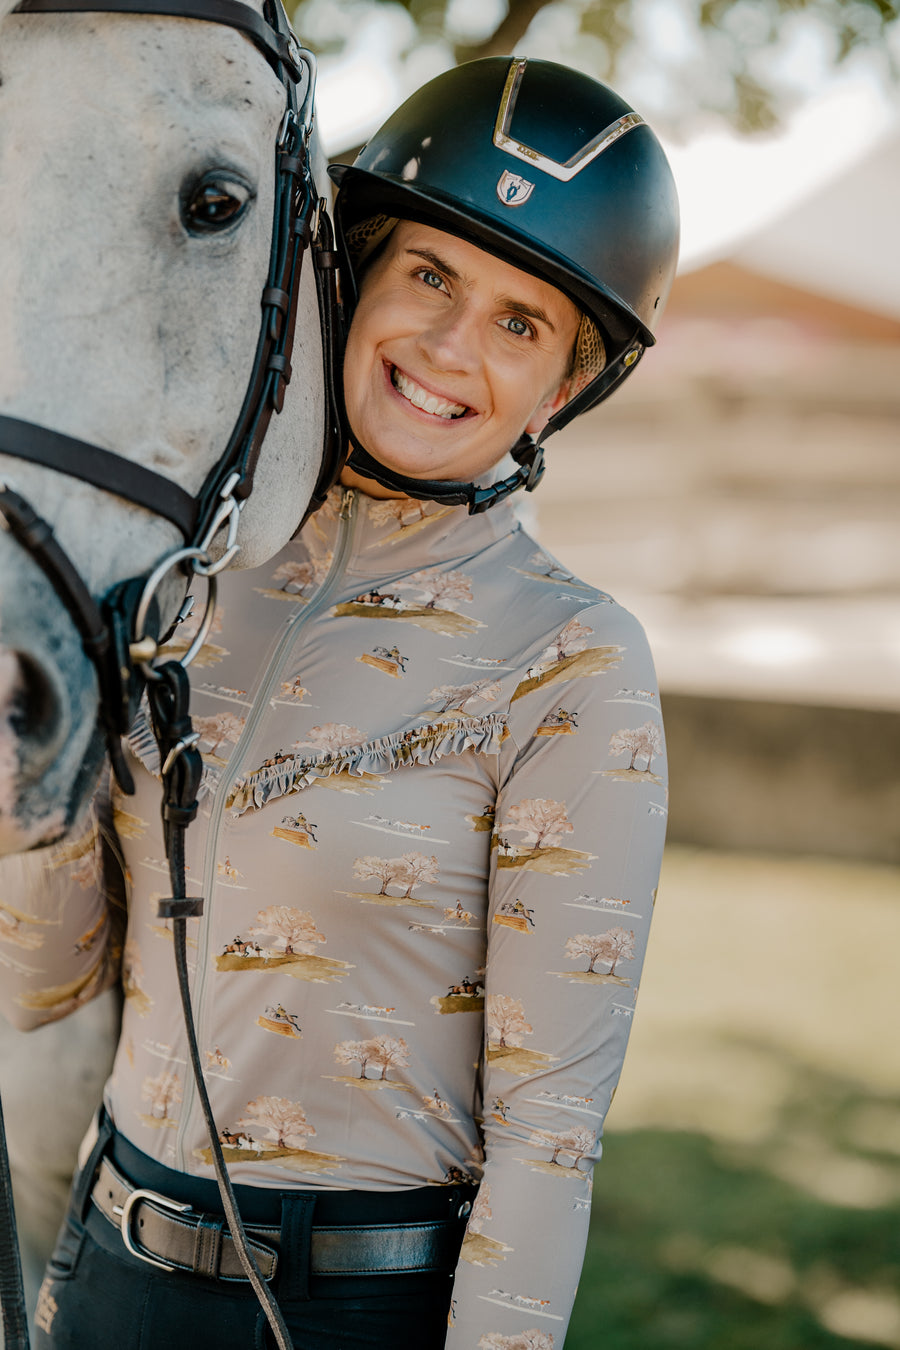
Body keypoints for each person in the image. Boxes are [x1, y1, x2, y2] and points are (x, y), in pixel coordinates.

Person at [0, 56, 678, 1349]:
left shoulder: (574, 661)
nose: (447, 346)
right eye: (429, 273)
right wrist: (28, 806)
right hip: (106, 1275)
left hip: (357, 1312)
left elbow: (547, 1135)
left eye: (519, 322)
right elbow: (47, 989)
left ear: (565, 390)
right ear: (353, 270)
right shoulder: (185, 582)